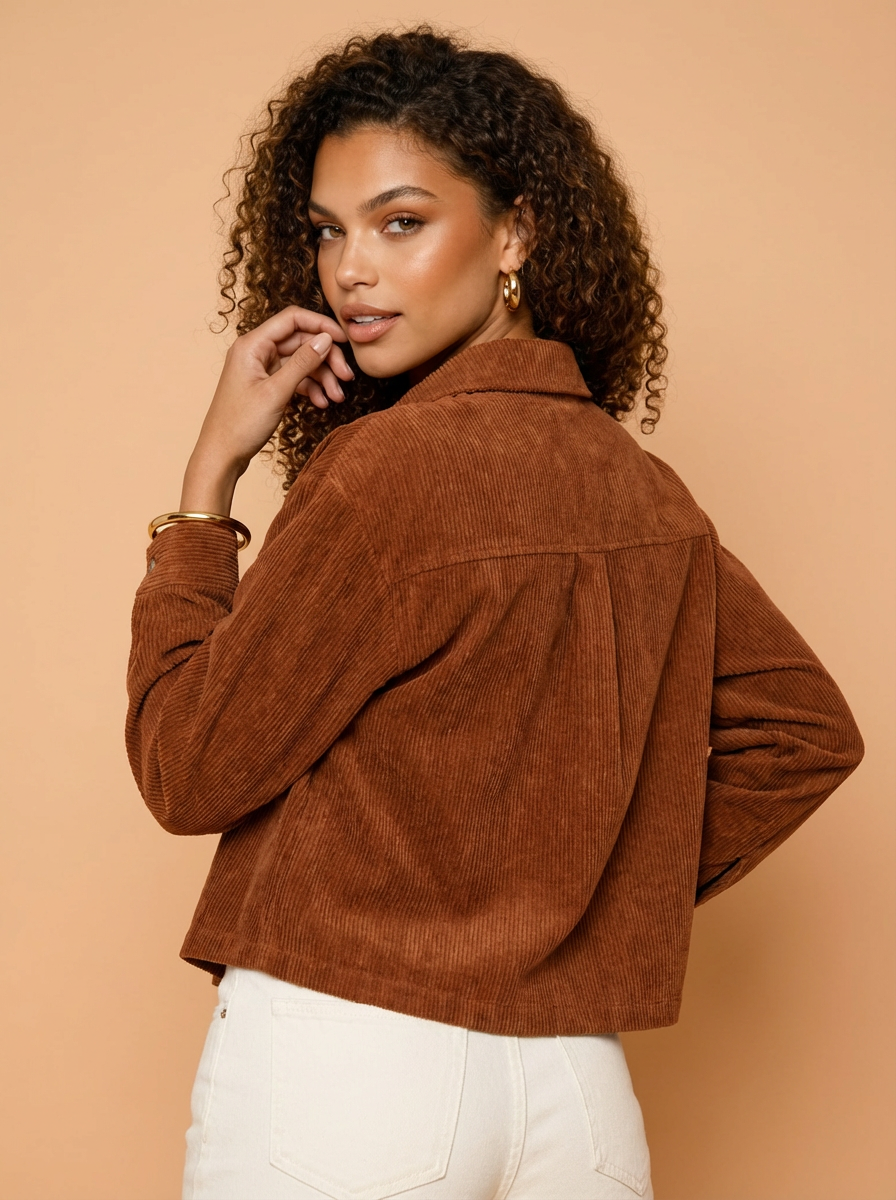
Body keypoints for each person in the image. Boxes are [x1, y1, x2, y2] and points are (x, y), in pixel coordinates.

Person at [124, 26, 865, 1200]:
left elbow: (187, 769)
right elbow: (802, 730)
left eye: (399, 223)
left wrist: (205, 486)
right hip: (574, 1088)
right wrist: (570, 898)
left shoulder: (384, 474)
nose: (349, 270)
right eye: (327, 231)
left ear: (515, 233)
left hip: (347, 1064)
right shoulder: (640, 490)